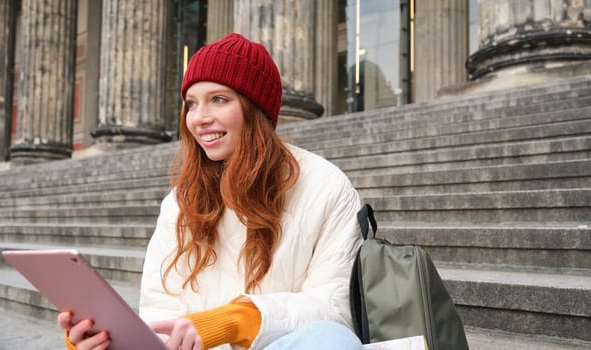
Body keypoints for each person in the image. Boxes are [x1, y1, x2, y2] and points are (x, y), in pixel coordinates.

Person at [59, 33, 365, 350]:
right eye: (192, 104)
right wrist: (106, 341)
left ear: (255, 109)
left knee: (332, 340)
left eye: (218, 99)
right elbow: (161, 316)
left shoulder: (325, 186)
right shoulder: (180, 202)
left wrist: (239, 320)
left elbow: (337, 308)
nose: (200, 119)